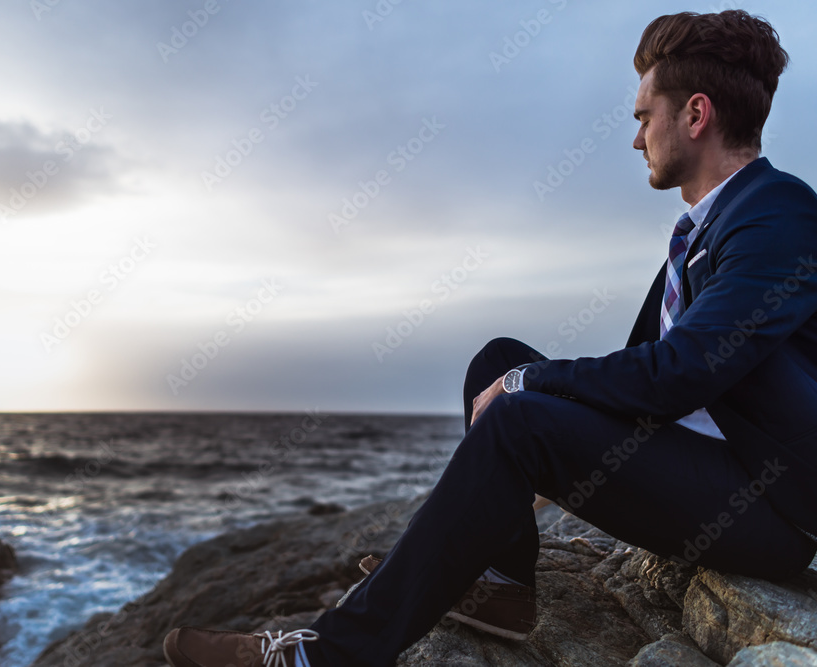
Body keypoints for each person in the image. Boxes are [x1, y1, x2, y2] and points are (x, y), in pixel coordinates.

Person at [162, 9, 817, 667]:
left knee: (519, 409)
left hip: (772, 507)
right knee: (497, 361)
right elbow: (644, 370)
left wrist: (535, 385)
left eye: (645, 117)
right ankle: (503, 586)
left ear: (695, 115)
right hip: (712, 469)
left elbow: (682, 370)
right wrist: (526, 383)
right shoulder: (706, 228)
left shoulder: (776, 215)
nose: (636, 138)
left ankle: (323, 655)